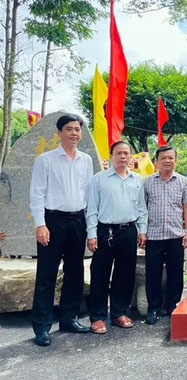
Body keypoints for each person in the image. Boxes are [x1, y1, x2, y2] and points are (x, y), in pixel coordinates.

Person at [28, 114, 93, 346]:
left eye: (77, 129)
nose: (74, 133)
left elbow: (88, 193)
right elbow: (36, 193)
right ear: (59, 133)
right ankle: (42, 326)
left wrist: (90, 226)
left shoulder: (85, 160)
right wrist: (40, 223)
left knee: (75, 272)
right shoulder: (45, 160)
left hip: (78, 221)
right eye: (69, 129)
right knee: (46, 274)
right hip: (52, 221)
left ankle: (69, 318)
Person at [86, 141, 147, 334]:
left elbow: (141, 208)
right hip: (105, 232)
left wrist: (142, 230)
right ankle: (97, 317)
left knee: (125, 273)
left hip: (128, 231)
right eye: (119, 153)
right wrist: (92, 234)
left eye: (126, 153)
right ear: (111, 156)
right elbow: (92, 209)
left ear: (131, 157)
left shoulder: (137, 180)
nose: (123, 157)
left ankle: (120, 312)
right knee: (100, 275)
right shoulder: (99, 179)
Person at [143, 146, 187, 324]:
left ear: (175, 160)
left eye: (171, 158)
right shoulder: (147, 182)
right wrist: (142, 232)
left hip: (175, 235)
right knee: (153, 273)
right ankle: (153, 308)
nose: (167, 161)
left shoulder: (183, 181)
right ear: (156, 161)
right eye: (163, 158)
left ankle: (172, 305)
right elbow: (143, 208)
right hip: (153, 236)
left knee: (175, 273)